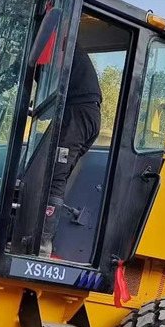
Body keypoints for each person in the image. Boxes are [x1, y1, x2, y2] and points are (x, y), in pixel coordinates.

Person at [40, 44, 102, 257]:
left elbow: (20, 72)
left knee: (54, 175)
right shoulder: (67, 48)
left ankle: (41, 246)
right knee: (55, 171)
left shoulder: (56, 43)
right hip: (84, 112)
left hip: (79, 114)